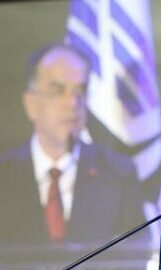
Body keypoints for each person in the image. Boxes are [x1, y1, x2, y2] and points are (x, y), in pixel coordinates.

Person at [0, 42, 144, 247]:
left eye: (80, 91)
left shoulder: (118, 174)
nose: (72, 103)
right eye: (58, 91)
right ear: (31, 104)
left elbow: (135, 257)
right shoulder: (4, 175)